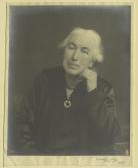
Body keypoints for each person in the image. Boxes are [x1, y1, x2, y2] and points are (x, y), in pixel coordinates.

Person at [12, 27, 120, 155]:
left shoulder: (103, 89)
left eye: (84, 51)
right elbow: (21, 126)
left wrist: (93, 93)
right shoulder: (44, 80)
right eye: (71, 47)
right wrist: (37, 158)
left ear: (92, 61)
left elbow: (110, 136)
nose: (75, 57)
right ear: (64, 51)